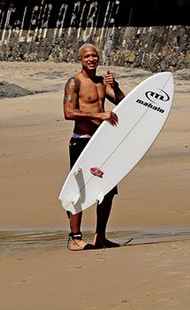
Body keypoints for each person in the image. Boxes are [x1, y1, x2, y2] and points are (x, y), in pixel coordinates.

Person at [63, 43, 125, 250]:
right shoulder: (74, 82)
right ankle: (75, 238)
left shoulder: (101, 83)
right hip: (81, 140)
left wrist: (114, 86)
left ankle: (100, 236)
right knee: (79, 190)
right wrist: (98, 115)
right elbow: (68, 112)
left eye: (94, 56)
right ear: (80, 59)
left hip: (102, 142)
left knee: (107, 190)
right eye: (87, 56)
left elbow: (124, 104)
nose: (91, 59)